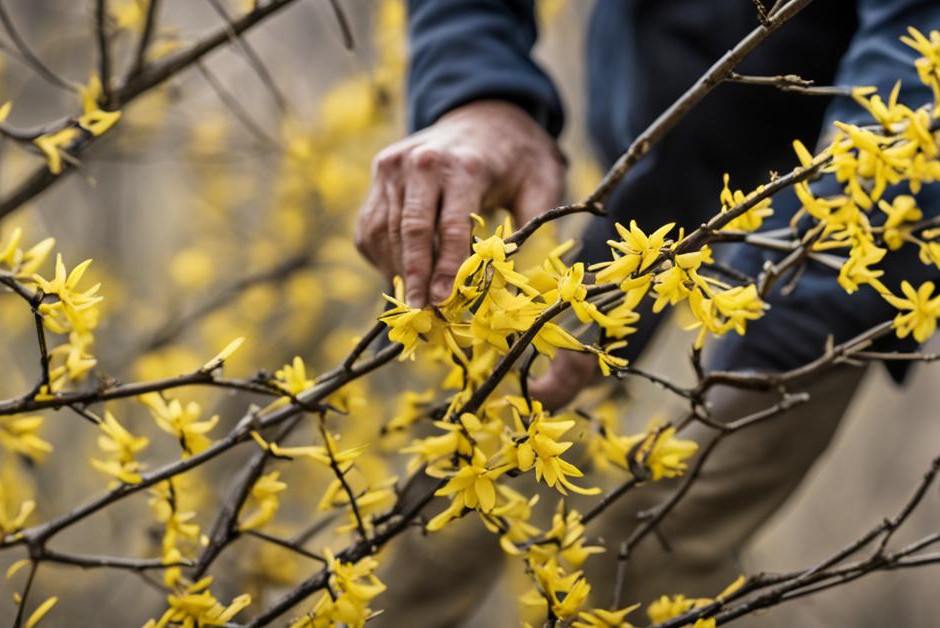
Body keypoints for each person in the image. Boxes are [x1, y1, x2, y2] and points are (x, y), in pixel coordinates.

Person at [354, 0, 940, 623]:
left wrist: (802, 304)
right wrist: (476, 89)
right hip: (660, 169)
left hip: (855, 217)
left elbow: (917, 65)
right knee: (434, 526)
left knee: (650, 563)